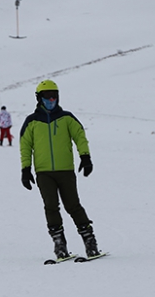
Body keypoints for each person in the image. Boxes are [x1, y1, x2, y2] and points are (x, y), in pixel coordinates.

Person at [20, 79, 101, 259]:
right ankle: (60, 245)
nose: (51, 99)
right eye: (47, 96)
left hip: (65, 171)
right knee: (51, 206)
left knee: (73, 206)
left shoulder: (66, 118)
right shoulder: (31, 122)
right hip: (43, 173)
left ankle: (90, 242)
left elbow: (80, 136)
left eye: (54, 96)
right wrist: (25, 169)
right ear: (39, 98)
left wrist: (85, 157)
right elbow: (25, 146)